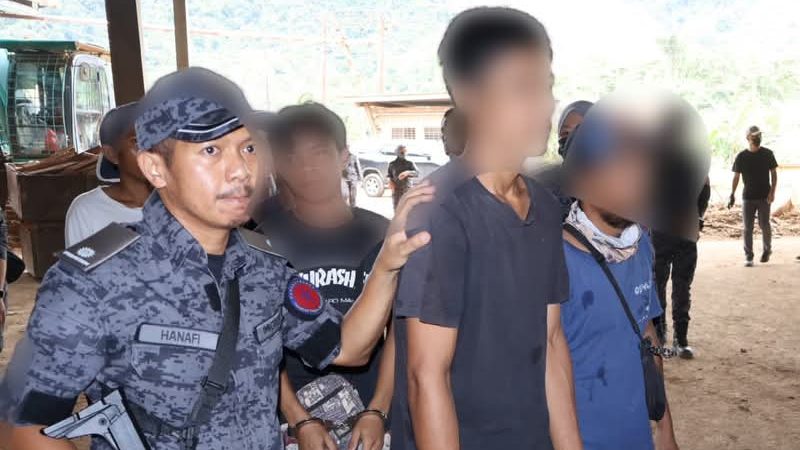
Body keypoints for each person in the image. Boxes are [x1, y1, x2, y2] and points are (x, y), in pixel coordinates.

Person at [0, 67, 431, 450]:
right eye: (211, 151)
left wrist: (387, 262)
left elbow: (348, 348)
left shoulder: (263, 266)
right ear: (155, 168)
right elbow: (22, 427)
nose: (241, 170)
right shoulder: (92, 283)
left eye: (248, 148)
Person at [392, 8, 582, 450]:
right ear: (468, 95)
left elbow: (552, 341)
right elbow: (425, 377)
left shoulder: (544, 206)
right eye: (523, 88)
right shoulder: (438, 213)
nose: (545, 105)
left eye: (547, 85)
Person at [257, 103, 414, 450]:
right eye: (293, 157)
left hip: (371, 412)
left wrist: (378, 409)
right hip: (294, 423)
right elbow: (262, 344)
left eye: (319, 153)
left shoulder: (381, 234)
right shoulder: (263, 243)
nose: (307, 168)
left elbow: (398, 332)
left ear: (344, 156)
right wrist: (298, 419)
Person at [559, 110, 680, 450]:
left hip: (637, 435)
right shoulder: (552, 260)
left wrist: (664, 428)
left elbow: (647, 332)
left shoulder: (640, 246)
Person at [64, 103, 153, 247]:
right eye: (138, 142)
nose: (152, 149)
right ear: (111, 154)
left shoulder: (181, 202)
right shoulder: (87, 211)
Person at [652, 177, 710, 358]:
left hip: (684, 232)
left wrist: (698, 219)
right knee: (658, 285)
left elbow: (704, 189)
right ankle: (660, 333)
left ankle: (680, 338)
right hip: (661, 232)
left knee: (681, 286)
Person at [729, 125, 778, 266]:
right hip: (748, 197)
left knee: (764, 224)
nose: (757, 138)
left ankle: (767, 250)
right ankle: (749, 256)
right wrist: (732, 194)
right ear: (748, 138)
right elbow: (736, 177)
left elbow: (774, 174)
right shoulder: (741, 156)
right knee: (747, 228)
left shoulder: (768, 154)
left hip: (764, 197)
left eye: (759, 135)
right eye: (754, 136)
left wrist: (772, 192)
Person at [387, 145, 418, 210]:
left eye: (405, 152)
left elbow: (417, 173)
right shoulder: (392, 164)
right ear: (397, 152)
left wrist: (407, 172)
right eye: (402, 152)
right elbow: (389, 175)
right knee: (397, 209)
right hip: (396, 191)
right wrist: (390, 181)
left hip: (407, 190)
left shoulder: (410, 163)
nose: (404, 153)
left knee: (407, 209)